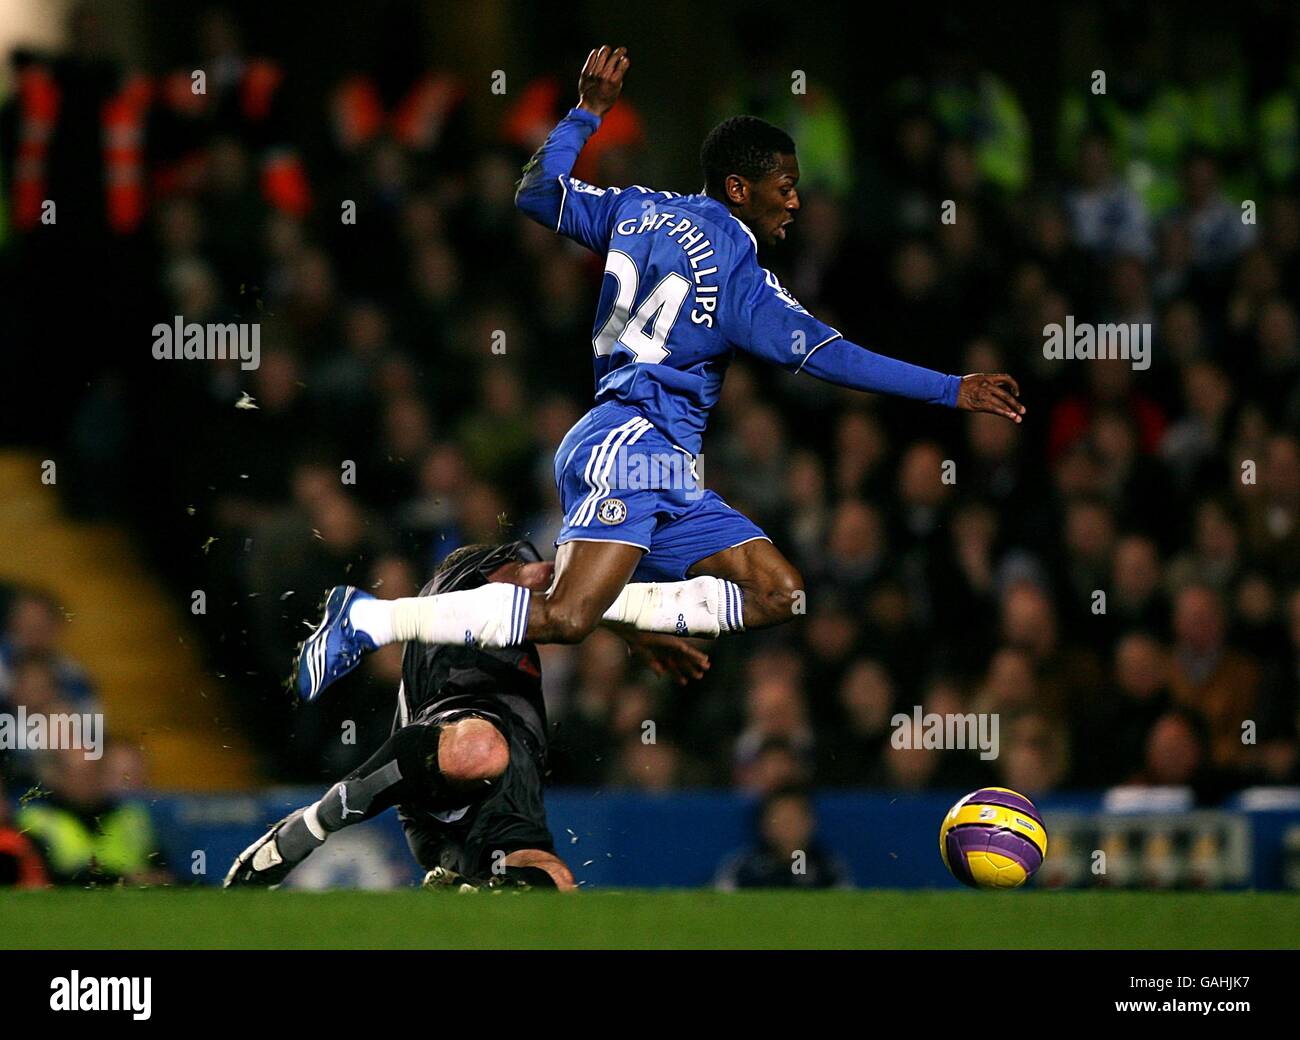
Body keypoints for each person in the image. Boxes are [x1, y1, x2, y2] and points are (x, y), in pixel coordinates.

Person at [294, 45, 1025, 703]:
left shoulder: (635, 209)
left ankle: (615, 607)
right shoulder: (740, 274)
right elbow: (832, 356)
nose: (797, 200)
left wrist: (585, 114)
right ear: (739, 189)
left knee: (779, 593)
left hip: (668, 468)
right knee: (565, 618)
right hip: (630, 441)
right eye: (785, 186)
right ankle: (369, 618)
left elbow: (535, 193)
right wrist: (952, 388)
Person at [228, 541, 707, 890]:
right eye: (513, 566)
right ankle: (313, 823)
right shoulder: (470, 579)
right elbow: (556, 581)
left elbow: (570, 600)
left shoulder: (517, 622)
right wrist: (640, 622)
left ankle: (474, 888)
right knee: (479, 747)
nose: (526, 573)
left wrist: (630, 629)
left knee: (554, 881)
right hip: (446, 740)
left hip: (506, 773)